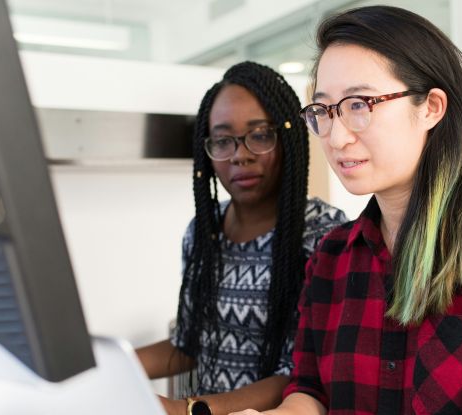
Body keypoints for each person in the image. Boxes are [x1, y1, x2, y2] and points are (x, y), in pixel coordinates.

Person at [230, 6, 462, 415]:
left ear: (432, 108)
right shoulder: (331, 257)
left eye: (359, 104)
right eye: (324, 110)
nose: (336, 135)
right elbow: (310, 391)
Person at [136, 61, 347, 415]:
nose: (240, 155)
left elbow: (300, 375)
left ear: (288, 138)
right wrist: (107, 364)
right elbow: (188, 344)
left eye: (260, 135)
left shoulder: (323, 234)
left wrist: (185, 409)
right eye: (222, 140)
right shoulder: (203, 232)